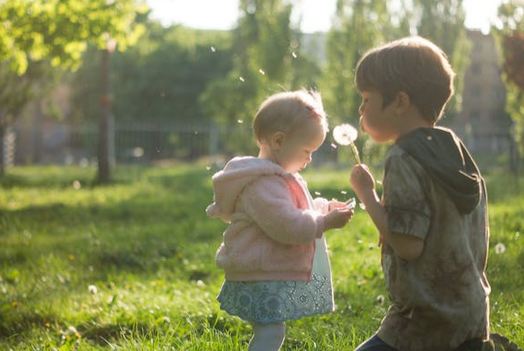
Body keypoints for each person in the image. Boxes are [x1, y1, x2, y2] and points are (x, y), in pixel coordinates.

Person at [350, 36, 491, 351]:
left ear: (399, 102)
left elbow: (408, 245)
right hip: (471, 314)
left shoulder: (403, 158)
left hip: (423, 319)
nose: (361, 109)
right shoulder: (454, 149)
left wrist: (367, 195)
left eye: (367, 99)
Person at [206, 90, 354, 351]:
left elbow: (296, 211)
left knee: (272, 331)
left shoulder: (274, 179)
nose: (310, 158)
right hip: (258, 274)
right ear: (278, 140)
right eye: (307, 150)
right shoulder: (262, 185)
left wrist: (323, 208)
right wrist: (325, 223)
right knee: (271, 332)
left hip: (262, 271)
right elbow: (287, 226)